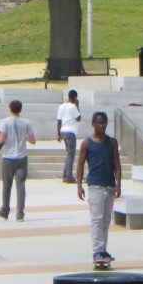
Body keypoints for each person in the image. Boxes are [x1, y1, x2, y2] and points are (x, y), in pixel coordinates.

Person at [76, 111, 122, 265]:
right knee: (96, 220)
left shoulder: (112, 142)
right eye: (99, 122)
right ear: (93, 124)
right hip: (95, 186)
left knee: (106, 221)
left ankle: (103, 250)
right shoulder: (87, 143)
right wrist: (79, 186)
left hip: (109, 185)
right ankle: (97, 251)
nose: (102, 125)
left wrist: (118, 184)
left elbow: (117, 163)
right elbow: (80, 164)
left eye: (104, 122)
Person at [0, 100, 36, 222]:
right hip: (22, 157)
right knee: (21, 185)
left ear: (9, 108)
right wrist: (25, 138)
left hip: (8, 157)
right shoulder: (26, 123)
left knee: (7, 185)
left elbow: (1, 139)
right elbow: (33, 141)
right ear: (20, 109)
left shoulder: (5, 122)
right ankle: (20, 213)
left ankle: (5, 210)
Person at [56, 89, 81, 183]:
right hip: (71, 132)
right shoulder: (73, 107)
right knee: (71, 155)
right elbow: (79, 118)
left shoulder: (61, 106)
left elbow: (59, 121)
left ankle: (64, 174)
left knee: (68, 154)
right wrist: (77, 106)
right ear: (75, 98)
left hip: (63, 131)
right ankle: (69, 176)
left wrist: (58, 133)